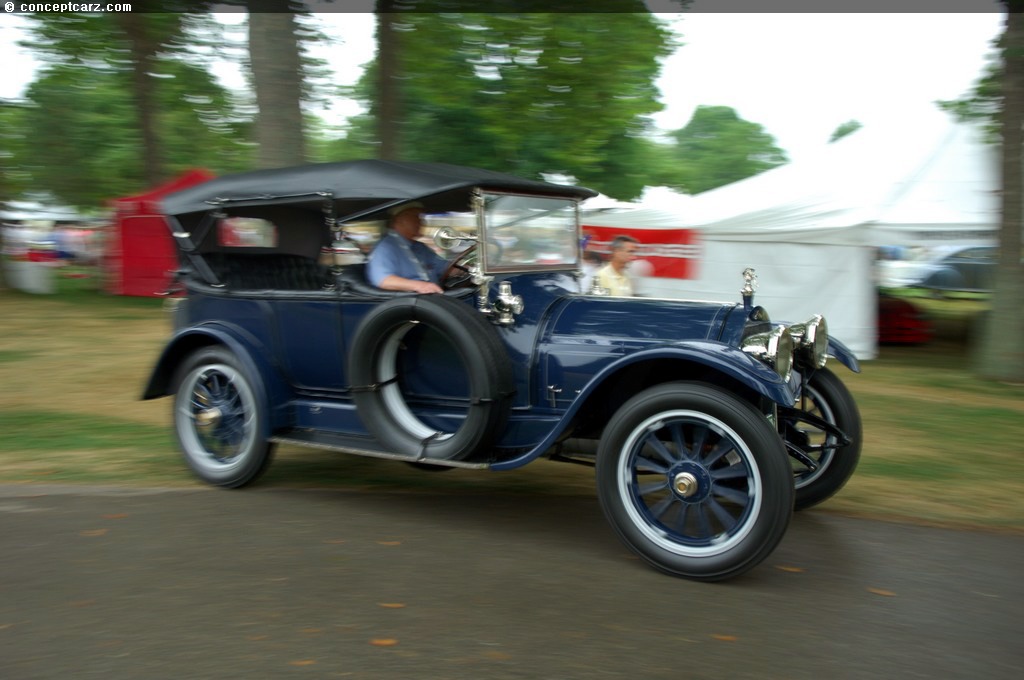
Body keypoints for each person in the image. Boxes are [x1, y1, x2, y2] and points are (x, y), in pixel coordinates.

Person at [366, 202, 447, 294]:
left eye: (420, 218)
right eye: (415, 217)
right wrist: (421, 286)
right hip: (409, 302)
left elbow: (444, 267)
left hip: (431, 298)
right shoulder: (386, 247)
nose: (421, 222)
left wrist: (463, 268)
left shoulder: (420, 247)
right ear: (399, 220)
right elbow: (384, 280)